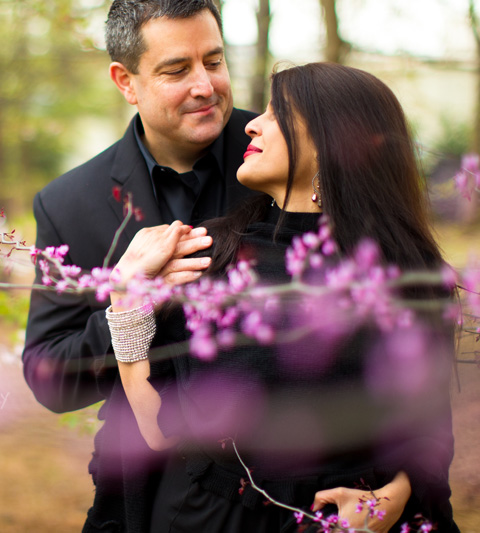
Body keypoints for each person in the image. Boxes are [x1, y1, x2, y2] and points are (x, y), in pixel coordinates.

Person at [108, 62, 460, 532]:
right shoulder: (206, 255)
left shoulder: (410, 275)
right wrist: (125, 298)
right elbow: (157, 429)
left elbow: (427, 432)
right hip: (214, 519)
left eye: (279, 113)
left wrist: (387, 503)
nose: (252, 122)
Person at [22, 1, 258, 530]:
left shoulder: (281, 154)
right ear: (125, 81)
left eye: (214, 62)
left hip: (279, 490)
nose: (205, 85)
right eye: (177, 70)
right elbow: (49, 378)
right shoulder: (68, 204)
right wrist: (124, 303)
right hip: (141, 502)